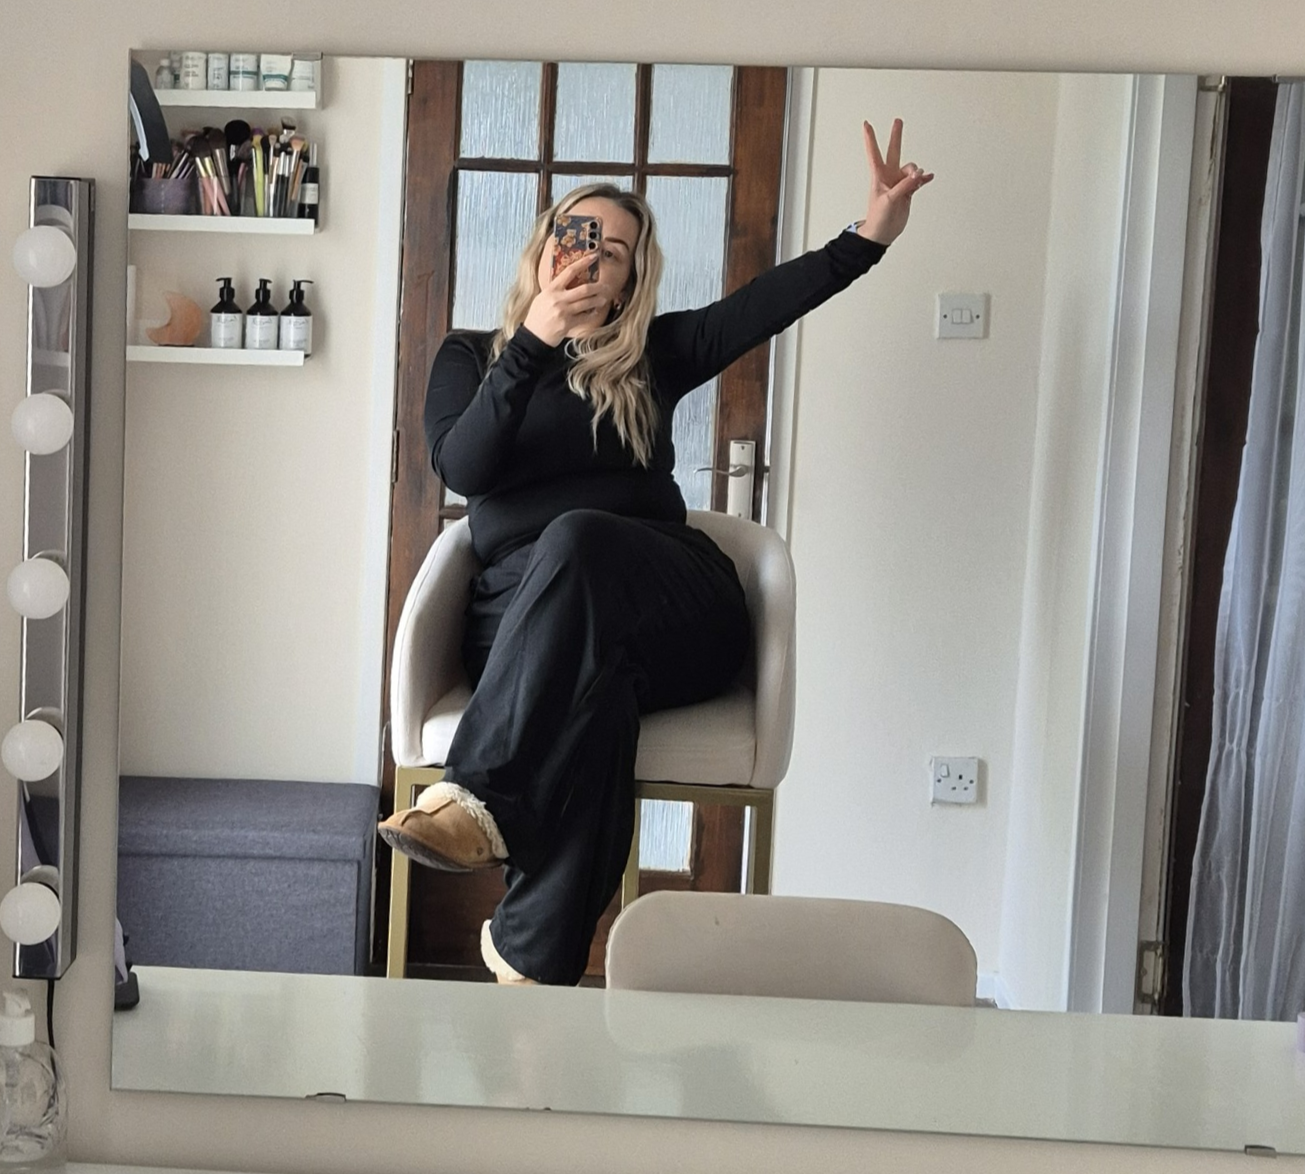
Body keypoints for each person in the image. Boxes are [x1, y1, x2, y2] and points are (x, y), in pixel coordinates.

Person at [379, 118, 934, 984]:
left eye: (619, 249)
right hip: (533, 626)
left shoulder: (652, 355)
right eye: (579, 235)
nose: (595, 258)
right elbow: (465, 465)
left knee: (582, 540)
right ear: (544, 246)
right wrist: (533, 342)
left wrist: (869, 237)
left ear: (636, 273)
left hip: (674, 605)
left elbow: (763, 306)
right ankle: (532, 956)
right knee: (596, 696)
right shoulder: (473, 356)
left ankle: (476, 799)